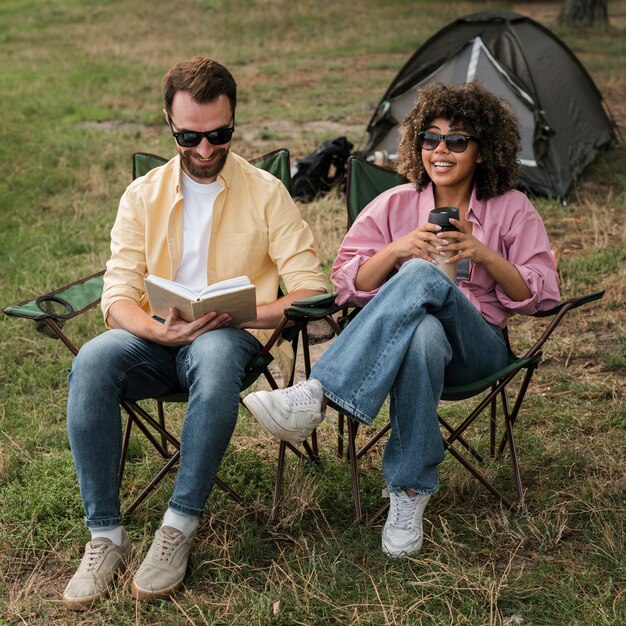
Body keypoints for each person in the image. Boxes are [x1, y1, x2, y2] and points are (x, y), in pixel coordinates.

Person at [243, 81, 561, 558]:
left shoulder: (512, 208)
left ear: (483, 149)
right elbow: (346, 281)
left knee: (424, 279)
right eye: (430, 139)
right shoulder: (394, 204)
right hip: (412, 350)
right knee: (423, 332)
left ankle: (318, 394)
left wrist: (483, 254)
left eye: (457, 140)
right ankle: (408, 494)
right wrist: (398, 247)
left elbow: (541, 294)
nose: (441, 151)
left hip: (479, 350)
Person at [63, 57, 327, 608]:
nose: (205, 150)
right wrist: (156, 331)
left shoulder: (267, 191)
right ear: (168, 123)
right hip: (153, 338)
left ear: (233, 121)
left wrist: (242, 314)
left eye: (219, 135)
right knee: (92, 359)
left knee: (211, 354)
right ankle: (105, 536)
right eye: (189, 136)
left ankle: (177, 528)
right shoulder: (142, 194)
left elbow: (310, 292)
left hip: (231, 340)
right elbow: (116, 299)